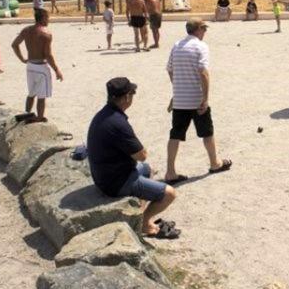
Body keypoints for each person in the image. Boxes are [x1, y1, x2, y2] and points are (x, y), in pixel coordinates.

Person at [87, 77, 179, 239]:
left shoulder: (104, 114)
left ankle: (139, 213)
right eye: (133, 93)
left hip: (103, 176)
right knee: (169, 194)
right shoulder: (118, 124)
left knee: (148, 169)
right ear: (127, 97)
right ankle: (143, 223)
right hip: (116, 182)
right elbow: (141, 155)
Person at [165, 17, 232, 185]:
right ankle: (215, 163)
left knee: (176, 134)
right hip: (196, 99)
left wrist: (177, 89)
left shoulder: (177, 45)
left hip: (180, 99)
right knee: (207, 133)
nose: (205, 32)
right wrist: (205, 98)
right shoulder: (201, 46)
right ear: (199, 29)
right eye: (205, 29)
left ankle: (170, 172)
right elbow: (203, 73)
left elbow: (170, 69)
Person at [11, 9, 64, 122]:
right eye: (48, 17)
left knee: (31, 93)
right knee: (41, 95)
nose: (48, 20)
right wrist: (56, 70)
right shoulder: (46, 34)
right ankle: (39, 118)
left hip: (30, 66)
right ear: (43, 17)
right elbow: (48, 55)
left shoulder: (26, 30)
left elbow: (14, 45)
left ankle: (27, 113)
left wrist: (22, 59)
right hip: (41, 67)